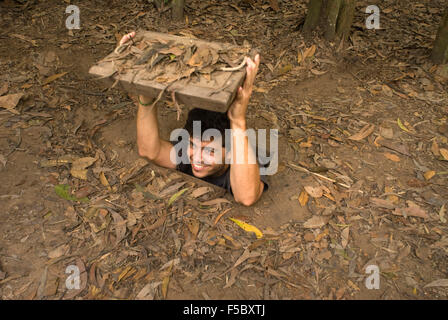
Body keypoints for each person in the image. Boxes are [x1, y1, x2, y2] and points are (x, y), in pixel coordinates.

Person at [120, 32, 268, 206]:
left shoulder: (247, 161)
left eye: (210, 151)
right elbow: (149, 151)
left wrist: (238, 121)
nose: (197, 158)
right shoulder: (191, 153)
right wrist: (145, 94)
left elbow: (247, 197)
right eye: (192, 145)